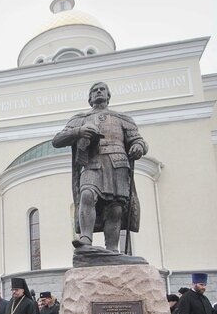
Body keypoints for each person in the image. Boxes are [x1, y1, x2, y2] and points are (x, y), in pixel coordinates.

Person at [51, 82, 147, 252]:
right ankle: (86, 240)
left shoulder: (122, 119)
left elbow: (138, 141)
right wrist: (78, 132)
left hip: (118, 163)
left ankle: (112, 249)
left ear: (108, 96)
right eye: (94, 90)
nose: (98, 92)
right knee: (87, 195)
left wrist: (138, 147)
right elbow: (57, 140)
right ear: (90, 98)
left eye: (102, 89)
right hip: (91, 163)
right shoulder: (79, 119)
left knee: (115, 208)